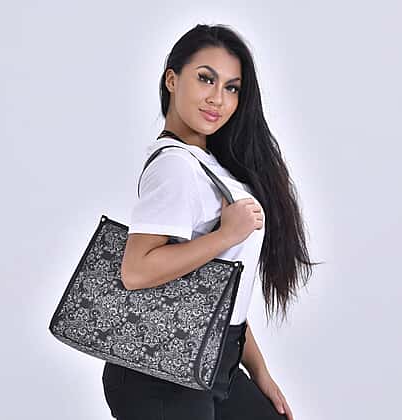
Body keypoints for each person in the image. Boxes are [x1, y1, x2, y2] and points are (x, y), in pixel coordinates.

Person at [102, 23, 317, 420]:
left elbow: (217, 290)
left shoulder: (211, 166)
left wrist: (259, 371)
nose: (218, 98)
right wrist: (226, 235)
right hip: (161, 373)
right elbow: (136, 270)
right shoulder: (175, 167)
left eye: (232, 88)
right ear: (172, 80)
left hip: (215, 363)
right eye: (206, 79)